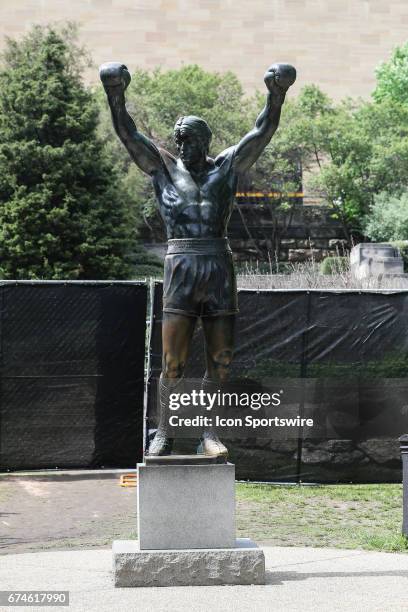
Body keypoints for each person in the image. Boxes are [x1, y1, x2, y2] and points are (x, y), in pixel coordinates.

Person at [99, 61, 296, 456]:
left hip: (218, 265)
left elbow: (262, 132)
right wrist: (115, 94)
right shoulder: (164, 170)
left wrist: (277, 93)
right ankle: (165, 433)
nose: (183, 146)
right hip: (181, 266)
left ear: (204, 141)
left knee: (221, 361)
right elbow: (129, 135)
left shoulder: (227, 168)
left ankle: (209, 433)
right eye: (179, 139)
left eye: (189, 139)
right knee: (173, 362)